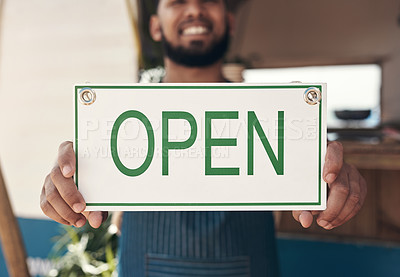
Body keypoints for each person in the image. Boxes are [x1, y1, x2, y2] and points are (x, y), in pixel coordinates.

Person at [40, 0, 367, 276]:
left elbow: (308, 185)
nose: (195, 8)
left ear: (229, 21)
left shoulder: (275, 116)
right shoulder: (118, 117)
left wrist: (330, 181)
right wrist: (71, 184)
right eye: (178, 0)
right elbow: (99, 205)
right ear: (156, 26)